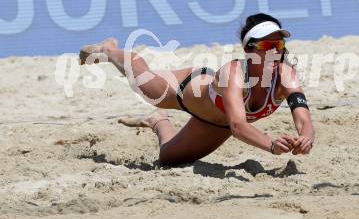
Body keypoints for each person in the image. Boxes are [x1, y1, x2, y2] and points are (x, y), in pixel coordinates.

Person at [79, 13, 315, 166]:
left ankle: (158, 122)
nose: (276, 50)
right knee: (145, 87)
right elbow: (238, 126)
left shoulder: (286, 75)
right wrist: (272, 145)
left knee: (168, 159)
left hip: (217, 123)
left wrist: (306, 138)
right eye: (267, 45)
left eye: (280, 44)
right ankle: (110, 51)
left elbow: (303, 119)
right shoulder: (234, 74)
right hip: (184, 90)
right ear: (250, 50)